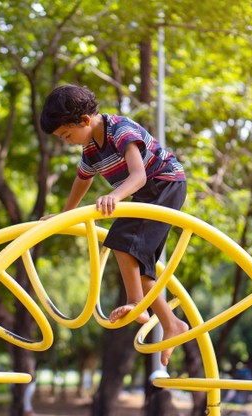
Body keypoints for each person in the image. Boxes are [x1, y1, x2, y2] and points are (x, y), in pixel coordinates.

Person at [40, 84, 189, 366]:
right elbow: (82, 180)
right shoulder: (90, 149)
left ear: (84, 120)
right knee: (139, 264)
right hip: (148, 192)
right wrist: (64, 215)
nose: (67, 141)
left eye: (67, 135)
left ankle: (135, 303)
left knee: (122, 241)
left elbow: (139, 176)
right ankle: (171, 324)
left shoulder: (119, 130)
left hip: (164, 183)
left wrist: (114, 195)